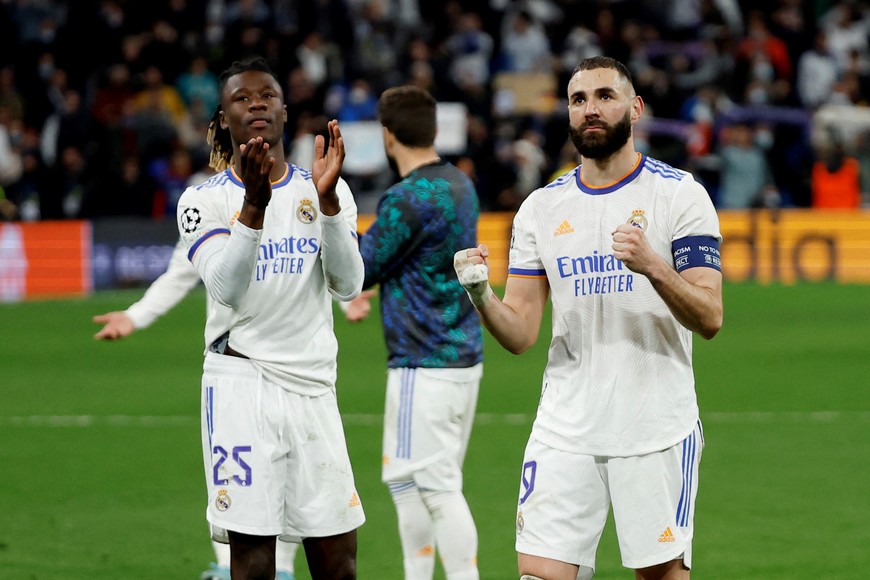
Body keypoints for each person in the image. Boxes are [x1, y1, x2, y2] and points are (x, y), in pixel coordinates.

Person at [453, 56, 723, 580]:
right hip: (565, 427)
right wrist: (480, 294)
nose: (590, 110)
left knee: (661, 574)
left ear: (635, 108)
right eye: (579, 100)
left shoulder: (678, 194)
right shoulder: (540, 208)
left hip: (654, 427)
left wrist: (652, 265)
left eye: (604, 96)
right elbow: (521, 333)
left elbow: (710, 315)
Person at [174, 55, 365, 580]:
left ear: (284, 112)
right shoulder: (202, 202)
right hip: (242, 386)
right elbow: (226, 288)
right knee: (254, 559)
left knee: (338, 560)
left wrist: (326, 205)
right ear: (223, 118)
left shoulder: (324, 187)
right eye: (242, 97)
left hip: (312, 388)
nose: (256, 103)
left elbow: (349, 285)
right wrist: (253, 208)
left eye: (267, 96)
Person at [91, 246, 301, 580]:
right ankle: (225, 563)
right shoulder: (210, 202)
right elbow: (180, 273)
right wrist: (136, 315)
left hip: (297, 365)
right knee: (231, 467)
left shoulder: (299, 201)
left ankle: (284, 568)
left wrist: (350, 298)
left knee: (293, 470)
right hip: (233, 366)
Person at [343, 85, 483, 580]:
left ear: (387, 136)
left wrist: (332, 211)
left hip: (421, 362)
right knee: (408, 482)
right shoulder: (461, 184)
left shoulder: (406, 198)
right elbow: (426, 264)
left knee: (437, 487)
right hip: (461, 351)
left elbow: (358, 269)